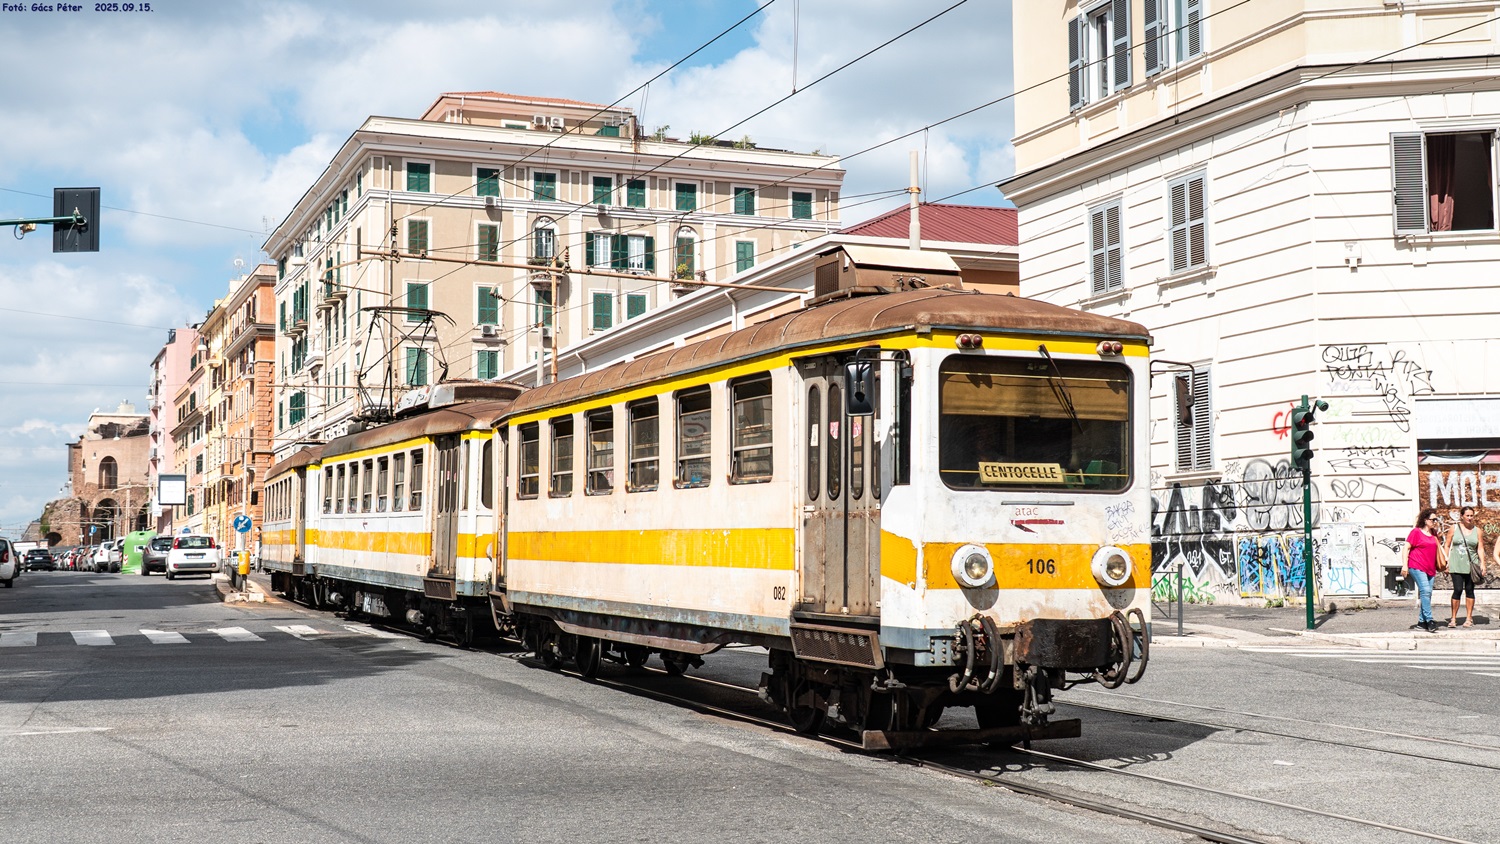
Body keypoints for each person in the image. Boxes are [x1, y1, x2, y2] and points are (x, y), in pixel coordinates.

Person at [1444, 506, 1487, 627]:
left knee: (1470, 590)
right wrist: (1445, 561)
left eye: (1471, 515)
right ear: (1462, 516)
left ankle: (1469, 618)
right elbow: (1447, 545)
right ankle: (1453, 618)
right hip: (1456, 563)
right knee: (1457, 590)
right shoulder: (1454, 528)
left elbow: (1480, 547)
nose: (1469, 518)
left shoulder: (1477, 530)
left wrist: (1482, 563)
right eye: (1467, 515)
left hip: (1471, 564)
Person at [1401, 508, 1442, 632]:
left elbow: (1438, 550)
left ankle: (1421, 622)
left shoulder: (1434, 533)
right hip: (1417, 565)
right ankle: (1429, 620)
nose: (1435, 521)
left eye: (1436, 519)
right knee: (1425, 591)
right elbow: (1406, 548)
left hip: (1430, 567)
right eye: (1432, 519)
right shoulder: (1416, 532)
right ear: (1425, 520)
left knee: (1428, 594)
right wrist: (1405, 565)